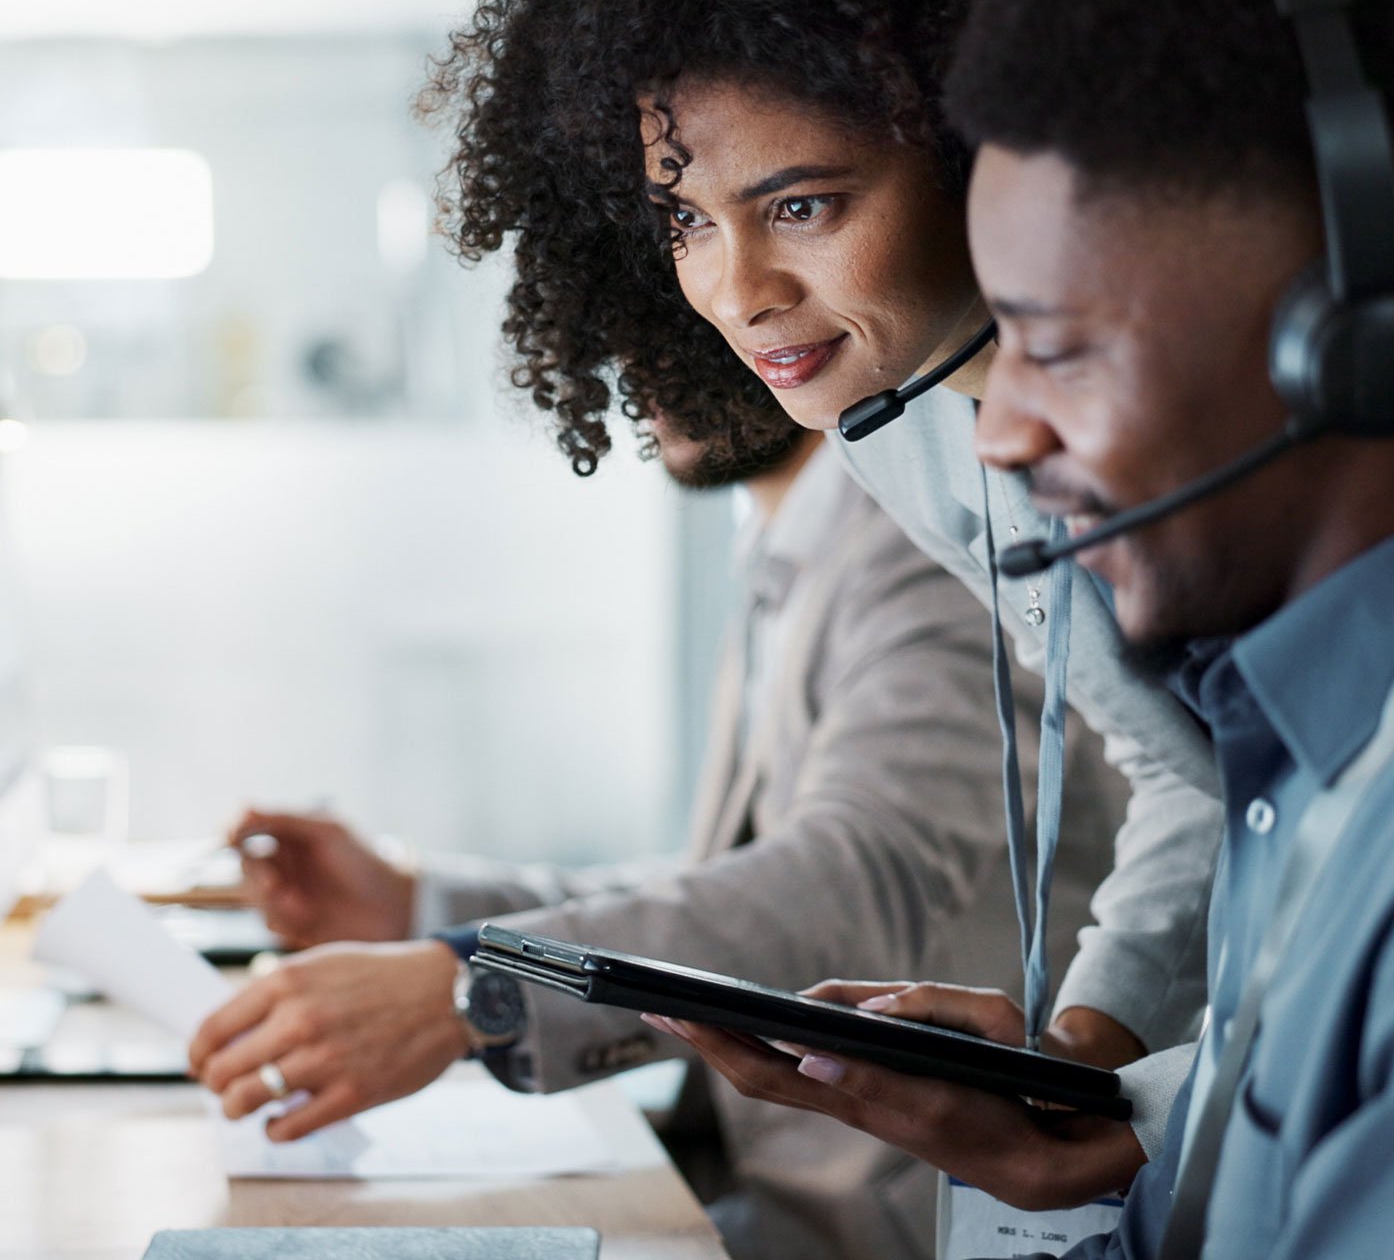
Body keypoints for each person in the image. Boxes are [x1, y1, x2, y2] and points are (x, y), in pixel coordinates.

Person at [427, 0, 1394, 1200]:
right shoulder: (897, 411)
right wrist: (1082, 1073)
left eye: (800, 205)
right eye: (682, 223)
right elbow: (1209, 776)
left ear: (974, 135)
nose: (734, 292)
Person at [665, 0, 1394, 1255]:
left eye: (1058, 343)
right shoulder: (1299, 771)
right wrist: (1099, 1104)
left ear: (1353, 336)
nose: (999, 437)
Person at [190, 416, 1121, 1260]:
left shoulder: (926, 544)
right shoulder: (791, 537)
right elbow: (724, 885)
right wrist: (424, 905)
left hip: (905, 1215)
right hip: (761, 1187)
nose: (648, 350)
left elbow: (855, 875)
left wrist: (475, 988)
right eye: (676, 233)